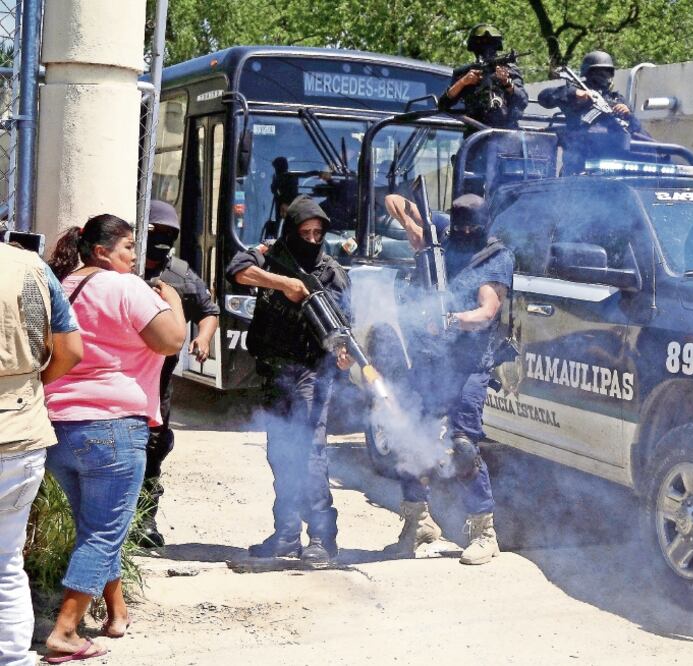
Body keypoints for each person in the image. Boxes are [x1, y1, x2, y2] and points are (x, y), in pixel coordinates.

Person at [44, 214, 186, 662]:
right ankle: (65, 632)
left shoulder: (63, 285)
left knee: (96, 527)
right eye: (128, 247)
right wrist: (174, 302)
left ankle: (117, 613)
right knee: (104, 533)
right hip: (112, 427)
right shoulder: (125, 287)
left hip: (58, 427)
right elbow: (171, 341)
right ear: (102, 252)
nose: (134, 256)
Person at [384, 192, 513, 565]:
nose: (466, 233)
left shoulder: (494, 257)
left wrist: (453, 319)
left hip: (469, 363)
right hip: (428, 358)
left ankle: (484, 532)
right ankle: (418, 523)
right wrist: (414, 229)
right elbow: (394, 200)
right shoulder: (441, 235)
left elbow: (487, 310)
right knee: (410, 437)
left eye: (472, 227)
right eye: (461, 227)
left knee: (463, 446)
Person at [226, 195, 352, 565]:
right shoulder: (269, 256)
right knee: (281, 453)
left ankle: (322, 538)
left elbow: (345, 325)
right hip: (276, 372)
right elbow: (237, 269)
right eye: (304, 233)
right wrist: (285, 284)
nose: (311, 240)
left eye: (317, 234)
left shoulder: (331, 273)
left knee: (309, 454)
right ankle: (286, 535)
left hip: (313, 372)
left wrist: (344, 355)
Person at [0, 241, 82, 666]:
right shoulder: (31, 267)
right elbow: (71, 350)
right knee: (5, 562)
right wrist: (26, 389)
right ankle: (13, 658)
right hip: (19, 434)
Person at [137, 200, 220, 547]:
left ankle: (144, 520)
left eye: (169, 235)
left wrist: (203, 338)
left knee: (154, 448)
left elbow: (209, 310)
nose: (161, 241)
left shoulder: (181, 276)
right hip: (121, 378)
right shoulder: (123, 267)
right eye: (154, 232)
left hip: (158, 382)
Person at [538, 50, 649, 174]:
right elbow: (544, 97)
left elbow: (637, 129)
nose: (604, 76)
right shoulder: (575, 95)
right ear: (589, 73)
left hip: (614, 162)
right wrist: (575, 93)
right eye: (599, 72)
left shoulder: (617, 99)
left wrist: (628, 114)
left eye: (607, 72)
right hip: (580, 163)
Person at [438, 23, 528, 130]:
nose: (486, 48)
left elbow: (522, 101)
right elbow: (443, 105)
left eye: (490, 43)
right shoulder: (465, 73)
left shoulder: (508, 70)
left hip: (506, 132)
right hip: (476, 133)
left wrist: (507, 83)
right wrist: (463, 82)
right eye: (480, 43)